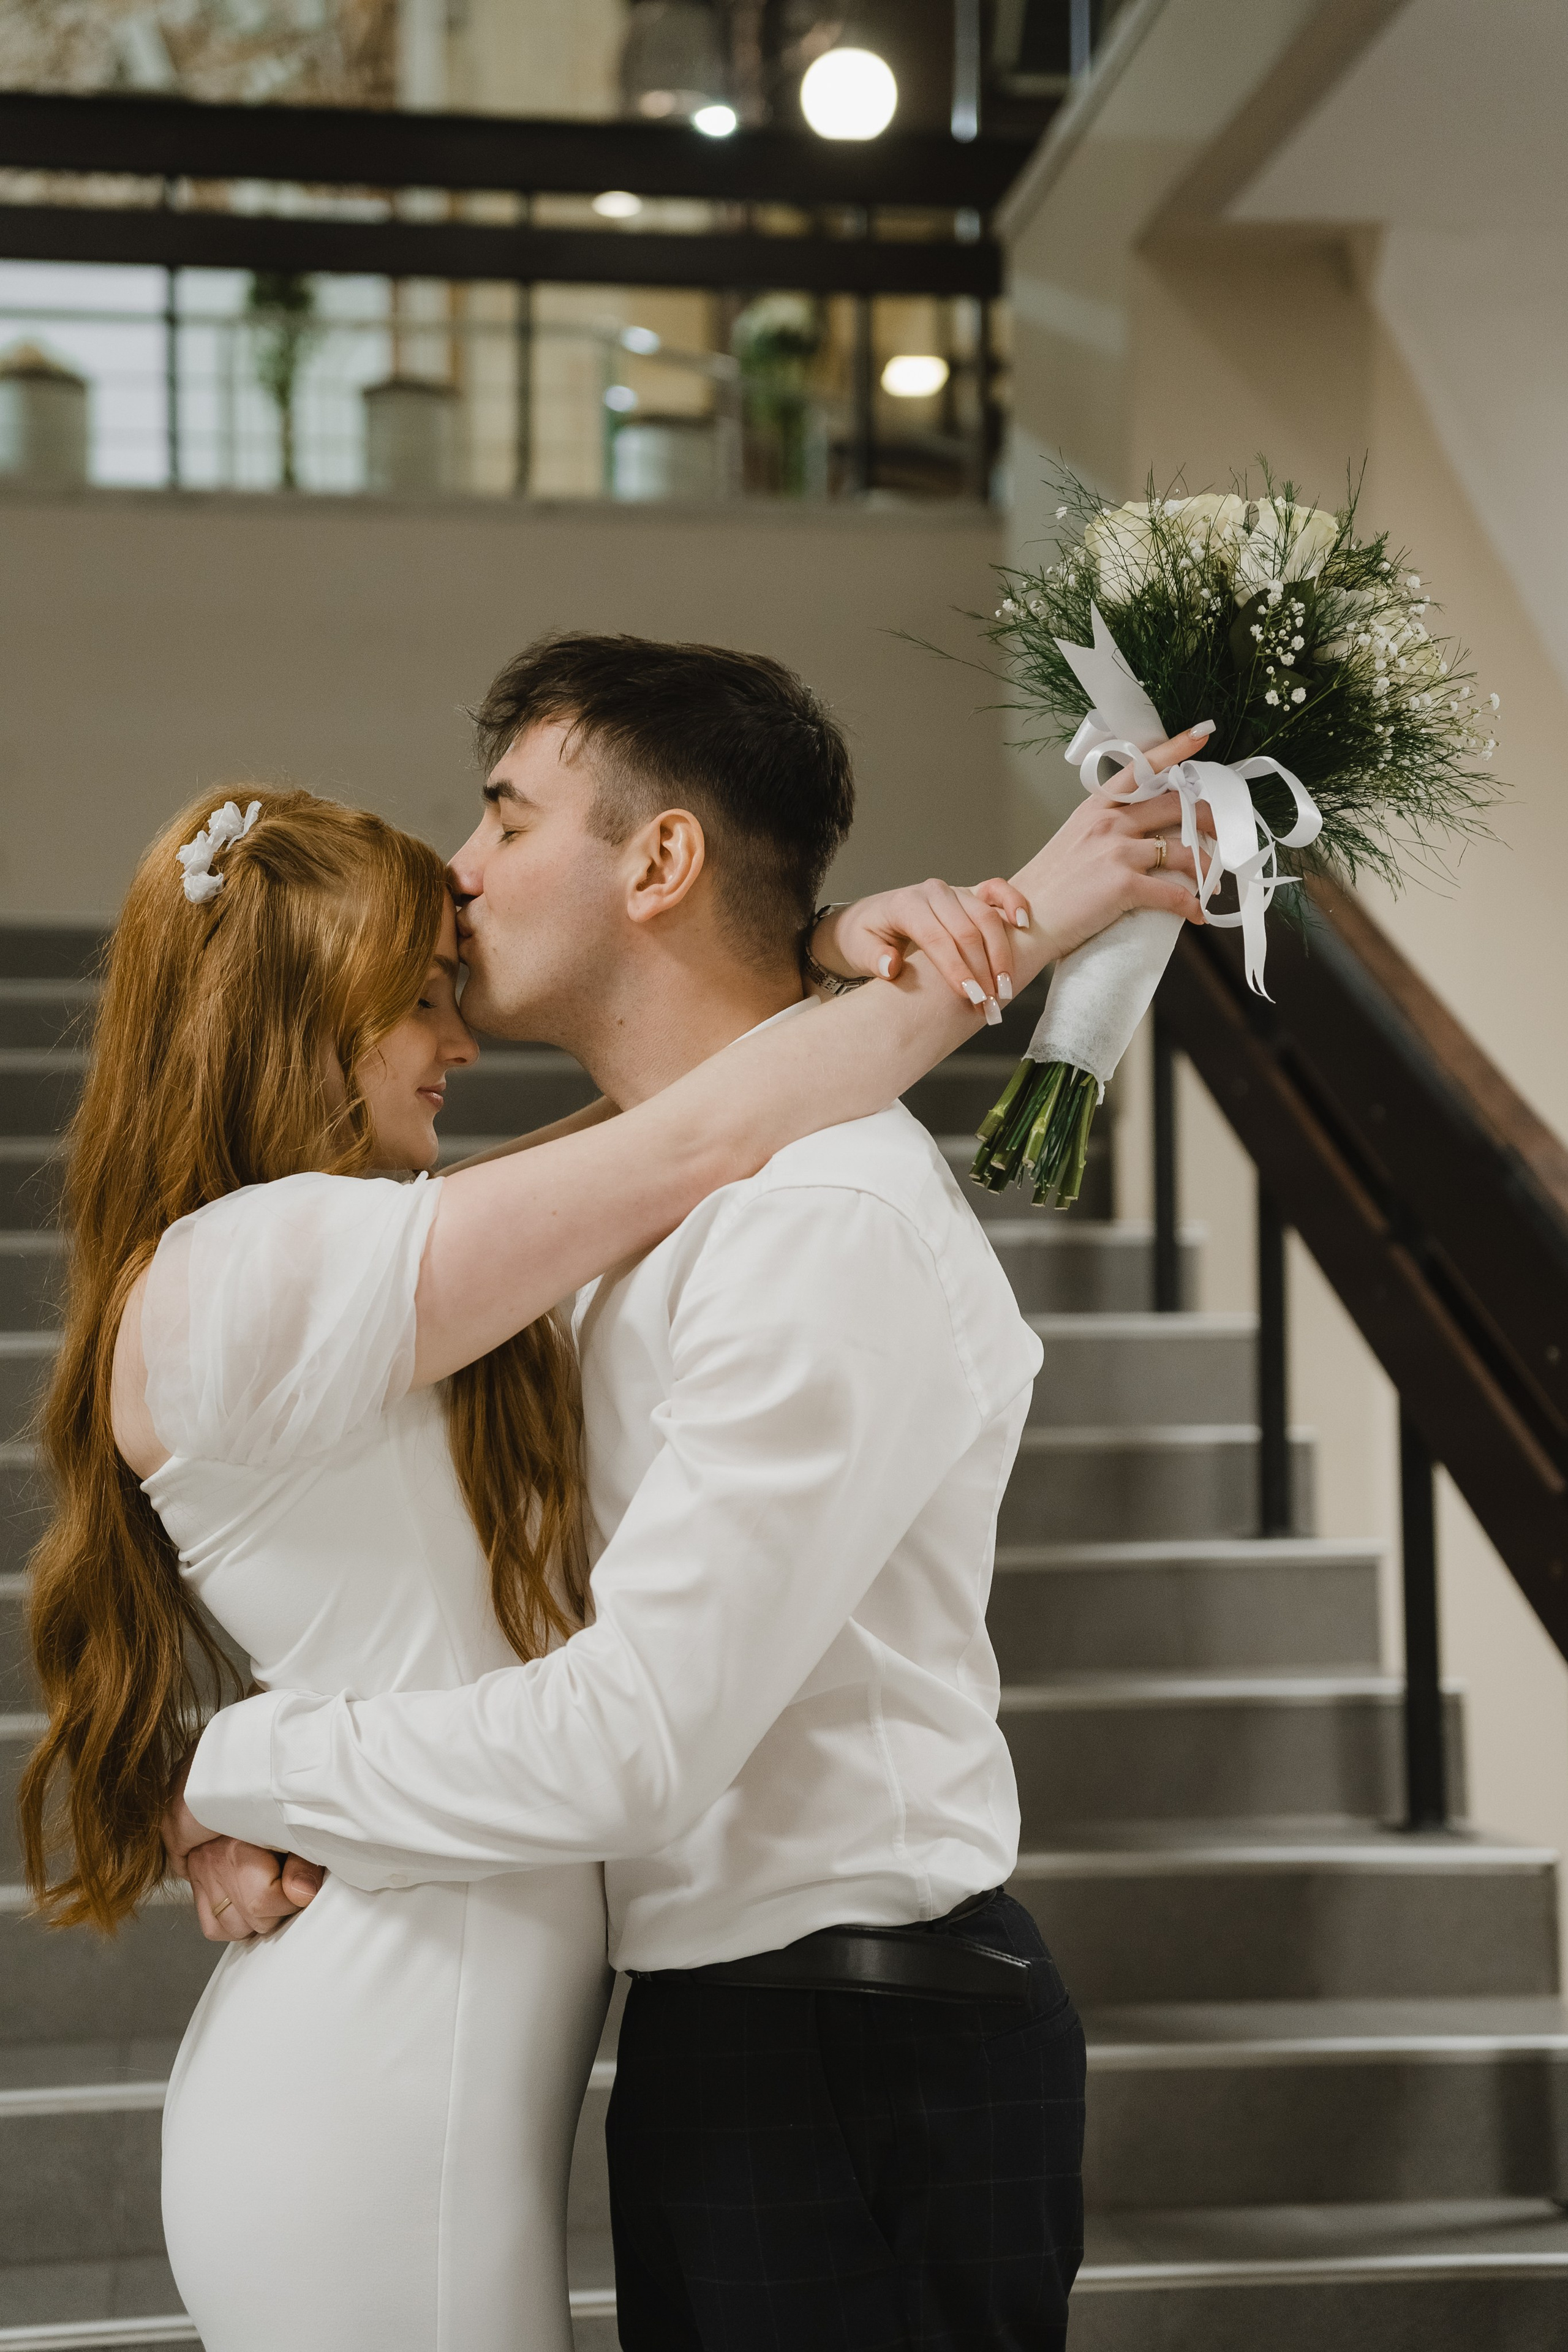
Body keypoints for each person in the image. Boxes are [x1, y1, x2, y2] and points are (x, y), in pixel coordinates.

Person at [145, 636, 1214, 2351]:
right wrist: (849, 948)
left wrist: (236, 1767)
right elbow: (684, 1131)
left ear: (658, 861)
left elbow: (634, 1739)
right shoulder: (630, 1206)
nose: (460, 872)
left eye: (505, 817)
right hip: (731, 2029)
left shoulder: (817, 1217)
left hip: (847, 2037)